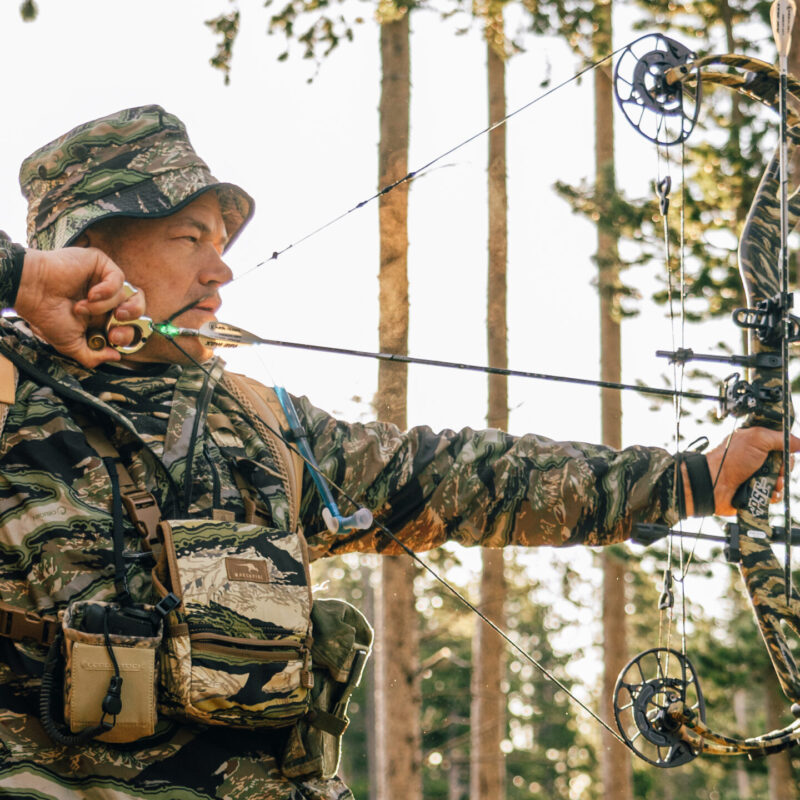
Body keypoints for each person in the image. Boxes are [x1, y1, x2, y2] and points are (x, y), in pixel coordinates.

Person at [0, 105, 793, 800]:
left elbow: (468, 477)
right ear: (91, 246)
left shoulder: (256, 424)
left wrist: (694, 482)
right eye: (188, 237)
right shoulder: (12, 391)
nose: (222, 267)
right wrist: (23, 278)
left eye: (221, 239)